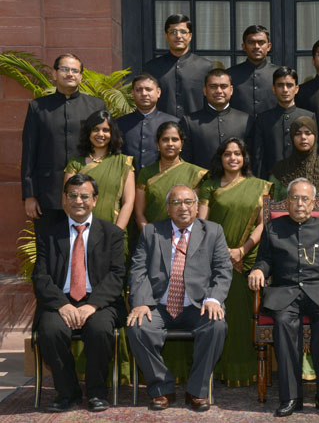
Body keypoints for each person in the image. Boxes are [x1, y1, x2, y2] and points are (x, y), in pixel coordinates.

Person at [248, 178, 319, 417]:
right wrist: (259, 270)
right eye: (294, 198)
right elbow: (265, 260)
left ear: (313, 204)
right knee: (283, 323)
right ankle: (291, 396)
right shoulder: (273, 229)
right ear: (288, 202)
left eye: (304, 199)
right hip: (285, 292)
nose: (299, 203)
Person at [127, 184, 232, 412]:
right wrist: (142, 302)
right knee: (137, 327)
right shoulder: (151, 232)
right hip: (159, 305)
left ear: (196, 207)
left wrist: (214, 299)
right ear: (167, 208)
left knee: (216, 326)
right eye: (176, 203)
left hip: (198, 305)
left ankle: (197, 390)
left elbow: (223, 269)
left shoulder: (213, 231)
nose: (183, 207)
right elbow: (138, 269)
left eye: (188, 202)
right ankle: (162, 389)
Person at [32, 174, 126, 413]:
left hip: (98, 303)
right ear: (64, 199)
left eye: (84, 196)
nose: (78, 201)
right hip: (60, 301)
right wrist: (62, 305)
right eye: (72, 196)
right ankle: (68, 392)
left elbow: (117, 275)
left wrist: (91, 305)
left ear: (94, 200)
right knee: (51, 331)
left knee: (100, 329)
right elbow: (40, 277)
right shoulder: (48, 234)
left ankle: (96, 393)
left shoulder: (112, 233)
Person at [197, 138, 271, 387]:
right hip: (215, 260)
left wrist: (242, 250)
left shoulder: (259, 186)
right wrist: (220, 253)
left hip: (245, 260)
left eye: (237, 154)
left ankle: (246, 371)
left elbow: (264, 223)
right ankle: (219, 371)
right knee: (220, 317)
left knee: (242, 318)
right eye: (227, 154)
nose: (233, 158)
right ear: (220, 158)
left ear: (244, 157)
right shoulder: (209, 186)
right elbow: (201, 224)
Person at [21, 53, 105, 239]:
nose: (70, 74)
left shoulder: (96, 106)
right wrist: (29, 196)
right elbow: (29, 152)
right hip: (47, 194)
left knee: (82, 248)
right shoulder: (38, 107)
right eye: (65, 69)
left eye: (75, 70)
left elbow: (105, 147)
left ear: (81, 76)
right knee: (47, 252)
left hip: (85, 193)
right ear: (54, 73)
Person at [65, 110, 135, 231]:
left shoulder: (124, 163)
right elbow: (66, 201)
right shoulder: (75, 163)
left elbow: (128, 202)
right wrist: (81, 230)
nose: (100, 134)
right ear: (88, 132)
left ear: (112, 133)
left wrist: (116, 232)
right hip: (81, 232)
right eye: (95, 129)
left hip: (113, 232)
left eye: (106, 130)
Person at [134, 121, 207, 230]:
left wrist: (186, 239)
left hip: (186, 238)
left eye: (175, 139)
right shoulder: (146, 173)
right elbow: (139, 213)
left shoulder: (195, 173)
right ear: (157, 144)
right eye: (165, 139)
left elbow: (196, 213)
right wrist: (150, 236)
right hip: (154, 236)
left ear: (181, 143)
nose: (170, 144)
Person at [180, 68, 253, 169]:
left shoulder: (246, 120)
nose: (219, 91)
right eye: (213, 87)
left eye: (224, 86)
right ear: (205, 91)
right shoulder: (189, 122)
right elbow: (184, 161)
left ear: (231, 90)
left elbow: (252, 160)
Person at [143, 14, 213, 118]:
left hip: (196, 129)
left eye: (183, 32)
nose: (178, 36)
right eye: (173, 32)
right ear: (166, 36)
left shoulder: (205, 67)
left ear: (190, 36)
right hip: (161, 128)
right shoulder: (152, 68)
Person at [253, 66, 316, 179]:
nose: (285, 90)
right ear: (273, 89)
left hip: (302, 182)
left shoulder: (308, 117)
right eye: (280, 85)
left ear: (296, 89)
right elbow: (258, 158)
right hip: (272, 182)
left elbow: (314, 154)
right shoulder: (263, 119)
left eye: (289, 85)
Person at [270, 116, 319, 202]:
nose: (303, 137)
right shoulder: (280, 170)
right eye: (298, 133)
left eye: (308, 133)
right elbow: (272, 208)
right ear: (292, 137)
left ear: (315, 136)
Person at [116, 73, 178, 175]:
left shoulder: (173, 123)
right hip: (128, 183)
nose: (144, 93)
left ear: (158, 92)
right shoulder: (119, 123)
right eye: (139, 90)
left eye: (148, 89)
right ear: (132, 93)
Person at [227, 25, 280, 118]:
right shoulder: (230, 75)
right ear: (244, 46)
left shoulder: (279, 74)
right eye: (251, 42)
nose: (256, 46)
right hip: (239, 130)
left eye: (261, 42)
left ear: (269, 46)